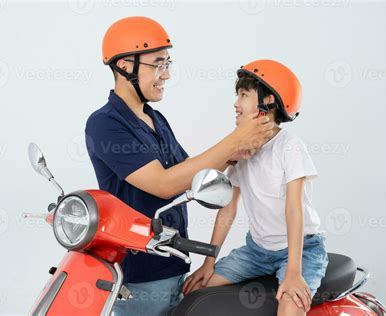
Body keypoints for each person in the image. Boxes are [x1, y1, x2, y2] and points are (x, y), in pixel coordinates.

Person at [85, 17, 274, 316]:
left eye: (167, 63)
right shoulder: (105, 124)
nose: (167, 74)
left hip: (175, 265)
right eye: (158, 64)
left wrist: (240, 149)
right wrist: (235, 139)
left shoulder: (155, 119)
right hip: (142, 274)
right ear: (124, 66)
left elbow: (191, 175)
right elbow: (164, 184)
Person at [182, 59, 329, 316]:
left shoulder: (289, 147)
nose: (235, 104)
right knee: (199, 290)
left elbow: (294, 209)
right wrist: (209, 261)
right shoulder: (242, 150)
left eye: (243, 95)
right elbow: (227, 209)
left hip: (301, 250)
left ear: (268, 101)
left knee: (290, 306)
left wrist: (293, 272)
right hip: (257, 251)